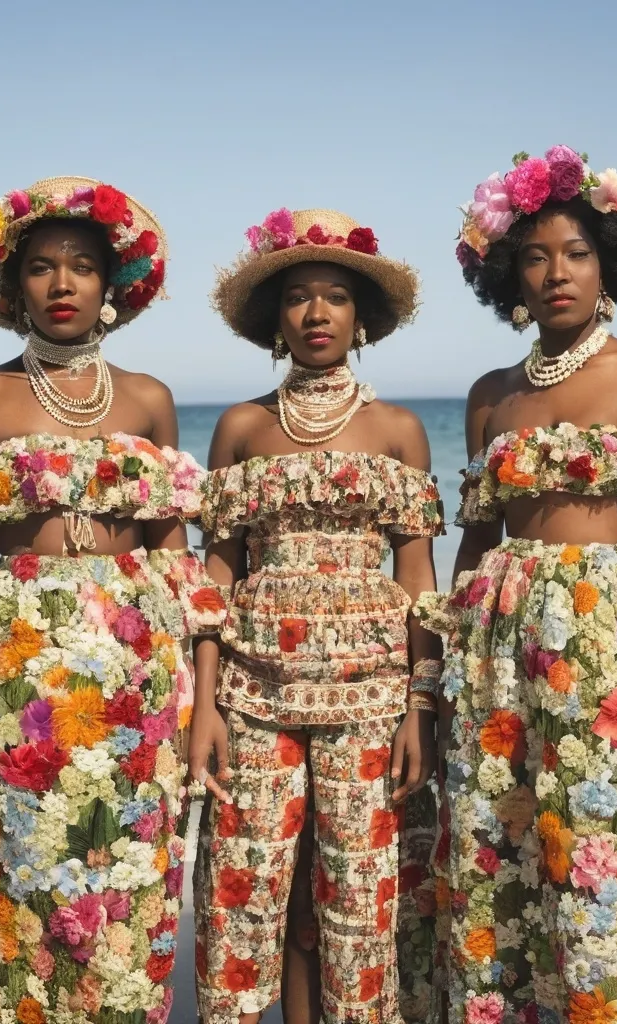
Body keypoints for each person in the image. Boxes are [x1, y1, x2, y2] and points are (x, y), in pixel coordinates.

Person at [0, 176, 225, 1023]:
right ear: (14, 285)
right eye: (41, 267)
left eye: (80, 266)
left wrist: (207, 703)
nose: (62, 283)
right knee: (9, 875)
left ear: (111, 288)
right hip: (15, 668)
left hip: (140, 674)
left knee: (123, 883)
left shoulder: (148, 399)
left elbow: (178, 565)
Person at [415, 147, 617, 1024]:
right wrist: (441, 681)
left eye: (576, 253)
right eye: (534, 256)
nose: (555, 273)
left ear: (609, 265)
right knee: (498, 863)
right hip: (493, 657)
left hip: (604, 652)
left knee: (602, 861)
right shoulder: (491, 396)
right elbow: (474, 549)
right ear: (508, 276)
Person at [189, 208, 443, 1024]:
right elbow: (217, 571)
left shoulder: (398, 430)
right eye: (299, 297)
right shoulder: (240, 427)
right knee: (244, 889)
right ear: (276, 321)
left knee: (359, 903)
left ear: (361, 319)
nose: (317, 312)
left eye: (336, 295)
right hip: (253, 694)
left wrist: (419, 704)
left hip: (371, 698)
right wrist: (206, 702)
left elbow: (416, 575)